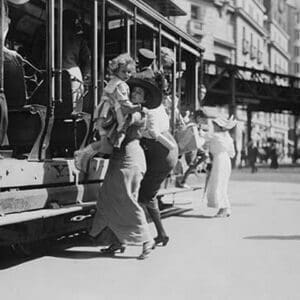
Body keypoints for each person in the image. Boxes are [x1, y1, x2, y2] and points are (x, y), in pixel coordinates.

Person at [88, 82, 157, 260]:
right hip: (120, 158)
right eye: (134, 91)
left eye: (139, 93)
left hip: (130, 159)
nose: (135, 94)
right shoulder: (129, 110)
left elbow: (123, 121)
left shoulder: (140, 112)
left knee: (126, 200)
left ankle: (147, 239)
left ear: (145, 99)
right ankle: (119, 240)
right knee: (108, 198)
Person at [135, 48, 178, 247]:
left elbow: (153, 133)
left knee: (142, 196)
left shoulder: (149, 108)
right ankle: (161, 233)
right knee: (148, 194)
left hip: (161, 152)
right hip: (165, 152)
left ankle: (143, 237)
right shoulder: (159, 105)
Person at [74, 53, 141, 172]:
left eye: (129, 72)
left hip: (105, 114)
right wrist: (137, 108)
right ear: (116, 71)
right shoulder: (121, 85)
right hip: (110, 116)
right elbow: (124, 103)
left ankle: (87, 160)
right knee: (108, 144)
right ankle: (83, 154)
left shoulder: (114, 81)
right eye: (123, 71)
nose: (127, 75)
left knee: (106, 142)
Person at [206, 116, 237, 218]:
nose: (213, 127)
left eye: (215, 125)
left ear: (219, 127)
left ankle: (222, 209)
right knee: (223, 184)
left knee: (218, 184)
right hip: (226, 159)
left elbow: (203, 138)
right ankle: (226, 208)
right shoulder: (228, 137)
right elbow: (232, 154)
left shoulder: (215, 136)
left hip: (219, 160)